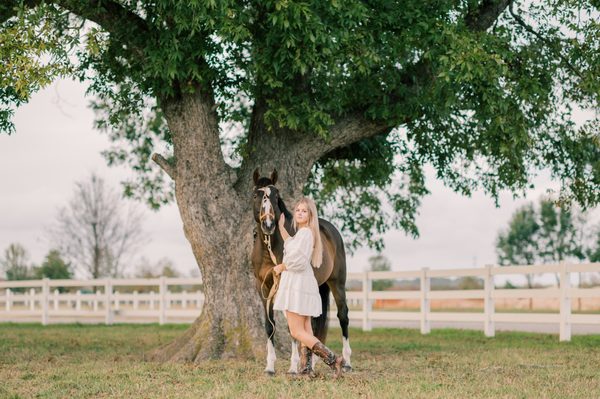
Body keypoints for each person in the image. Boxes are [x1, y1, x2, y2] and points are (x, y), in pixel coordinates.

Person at [272, 197, 344, 378]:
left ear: (310, 214)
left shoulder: (306, 234)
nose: (300, 213)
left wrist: (282, 267)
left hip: (297, 283)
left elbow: (298, 260)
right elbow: (291, 245)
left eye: (304, 211)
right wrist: (281, 227)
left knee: (296, 331)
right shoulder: (303, 233)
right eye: (297, 210)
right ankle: (306, 369)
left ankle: (333, 359)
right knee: (305, 329)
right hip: (301, 282)